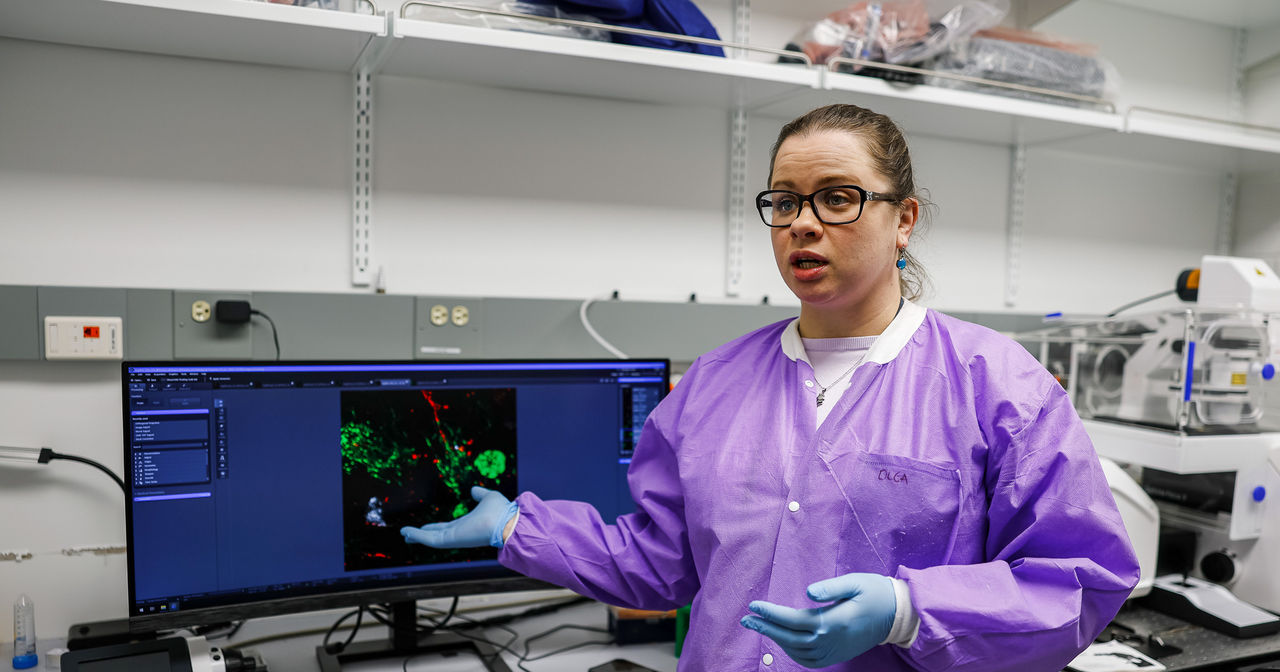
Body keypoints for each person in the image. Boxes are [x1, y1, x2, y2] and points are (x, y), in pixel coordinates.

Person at [402, 103, 1140, 671]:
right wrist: (515, 530)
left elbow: (1081, 582)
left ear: (903, 219)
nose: (803, 225)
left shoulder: (998, 386)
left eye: (837, 198)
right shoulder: (713, 384)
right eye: (784, 202)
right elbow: (666, 562)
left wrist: (909, 610)